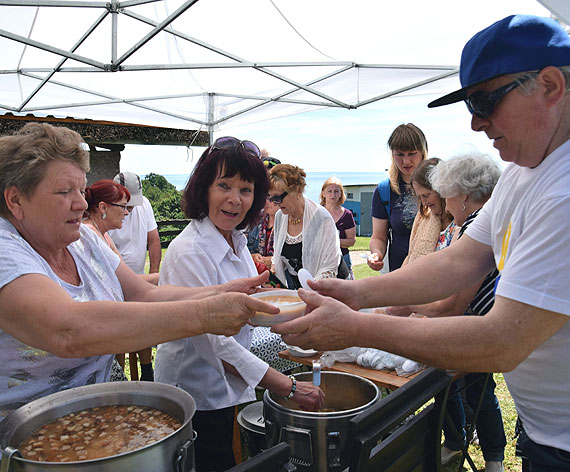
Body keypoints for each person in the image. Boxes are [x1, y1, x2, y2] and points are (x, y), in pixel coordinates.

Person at [273, 15, 570, 472]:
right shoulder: (524, 171)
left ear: (550, 85)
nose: (476, 123)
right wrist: (355, 294)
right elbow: (458, 261)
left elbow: (502, 341)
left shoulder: (564, 192)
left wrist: (356, 327)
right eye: (471, 104)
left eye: (486, 101)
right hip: (545, 430)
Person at [0, 122, 279, 421]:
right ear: (15, 200)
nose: (82, 203)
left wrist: (223, 290)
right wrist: (207, 314)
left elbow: (144, 294)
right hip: (22, 443)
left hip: (94, 421)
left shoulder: (86, 240)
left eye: (81, 190)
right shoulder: (6, 251)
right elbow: (67, 332)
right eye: (64, 191)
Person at [154, 137, 324, 472]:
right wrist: (288, 386)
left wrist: (300, 321)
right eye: (224, 186)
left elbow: (251, 308)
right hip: (195, 394)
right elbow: (217, 346)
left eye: (245, 190)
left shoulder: (236, 240)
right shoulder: (189, 251)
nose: (235, 199)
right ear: (204, 188)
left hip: (227, 390)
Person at [108, 171, 161, 382]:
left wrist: (154, 274)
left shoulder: (144, 204)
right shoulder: (106, 210)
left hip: (140, 278)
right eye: (125, 205)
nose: (129, 210)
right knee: (118, 332)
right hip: (113, 283)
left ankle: (147, 372)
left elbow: (154, 240)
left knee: (143, 325)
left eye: (132, 204)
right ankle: (120, 377)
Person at [269, 163, 343, 289]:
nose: (275, 203)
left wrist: (309, 291)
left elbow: (329, 267)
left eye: (278, 197)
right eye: (271, 198)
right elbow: (278, 256)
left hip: (329, 289)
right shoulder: (280, 217)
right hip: (298, 288)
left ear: (297, 191)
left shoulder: (321, 218)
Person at [368, 123, 428, 272]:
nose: (406, 161)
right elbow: (379, 237)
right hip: (399, 274)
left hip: (433, 272)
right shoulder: (384, 191)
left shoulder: (440, 186)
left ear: (422, 152)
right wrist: (376, 254)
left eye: (412, 153)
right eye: (400, 154)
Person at [246, 156, 281, 273]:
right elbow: (242, 247)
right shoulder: (256, 219)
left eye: (272, 197)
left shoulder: (293, 222)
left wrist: (275, 260)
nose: (266, 201)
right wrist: (252, 256)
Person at [320, 176, 356, 278]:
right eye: (329, 191)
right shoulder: (316, 213)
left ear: (341, 194)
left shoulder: (347, 215)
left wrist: (331, 242)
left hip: (343, 259)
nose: (333, 194)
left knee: (347, 291)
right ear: (323, 193)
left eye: (336, 191)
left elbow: (351, 241)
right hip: (322, 260)